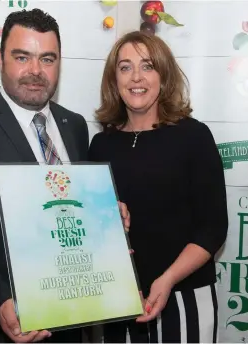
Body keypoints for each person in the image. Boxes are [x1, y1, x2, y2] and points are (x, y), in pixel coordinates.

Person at [0, 9, 130, 343]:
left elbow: (69, 207)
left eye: (48, 59)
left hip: (70, 326)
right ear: (0, 59)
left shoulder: (74, 126)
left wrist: (104, 215)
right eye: (23, 57)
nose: (35, 71)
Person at [88, 31, 228, 343]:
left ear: (163, 76)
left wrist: (167, 280)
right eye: (125, 67)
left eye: (147, 66)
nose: (136, 77)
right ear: (114, 79)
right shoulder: (100, 145)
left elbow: (213, 229)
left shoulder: (194, 137)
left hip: (183, 297)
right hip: (119, 303)